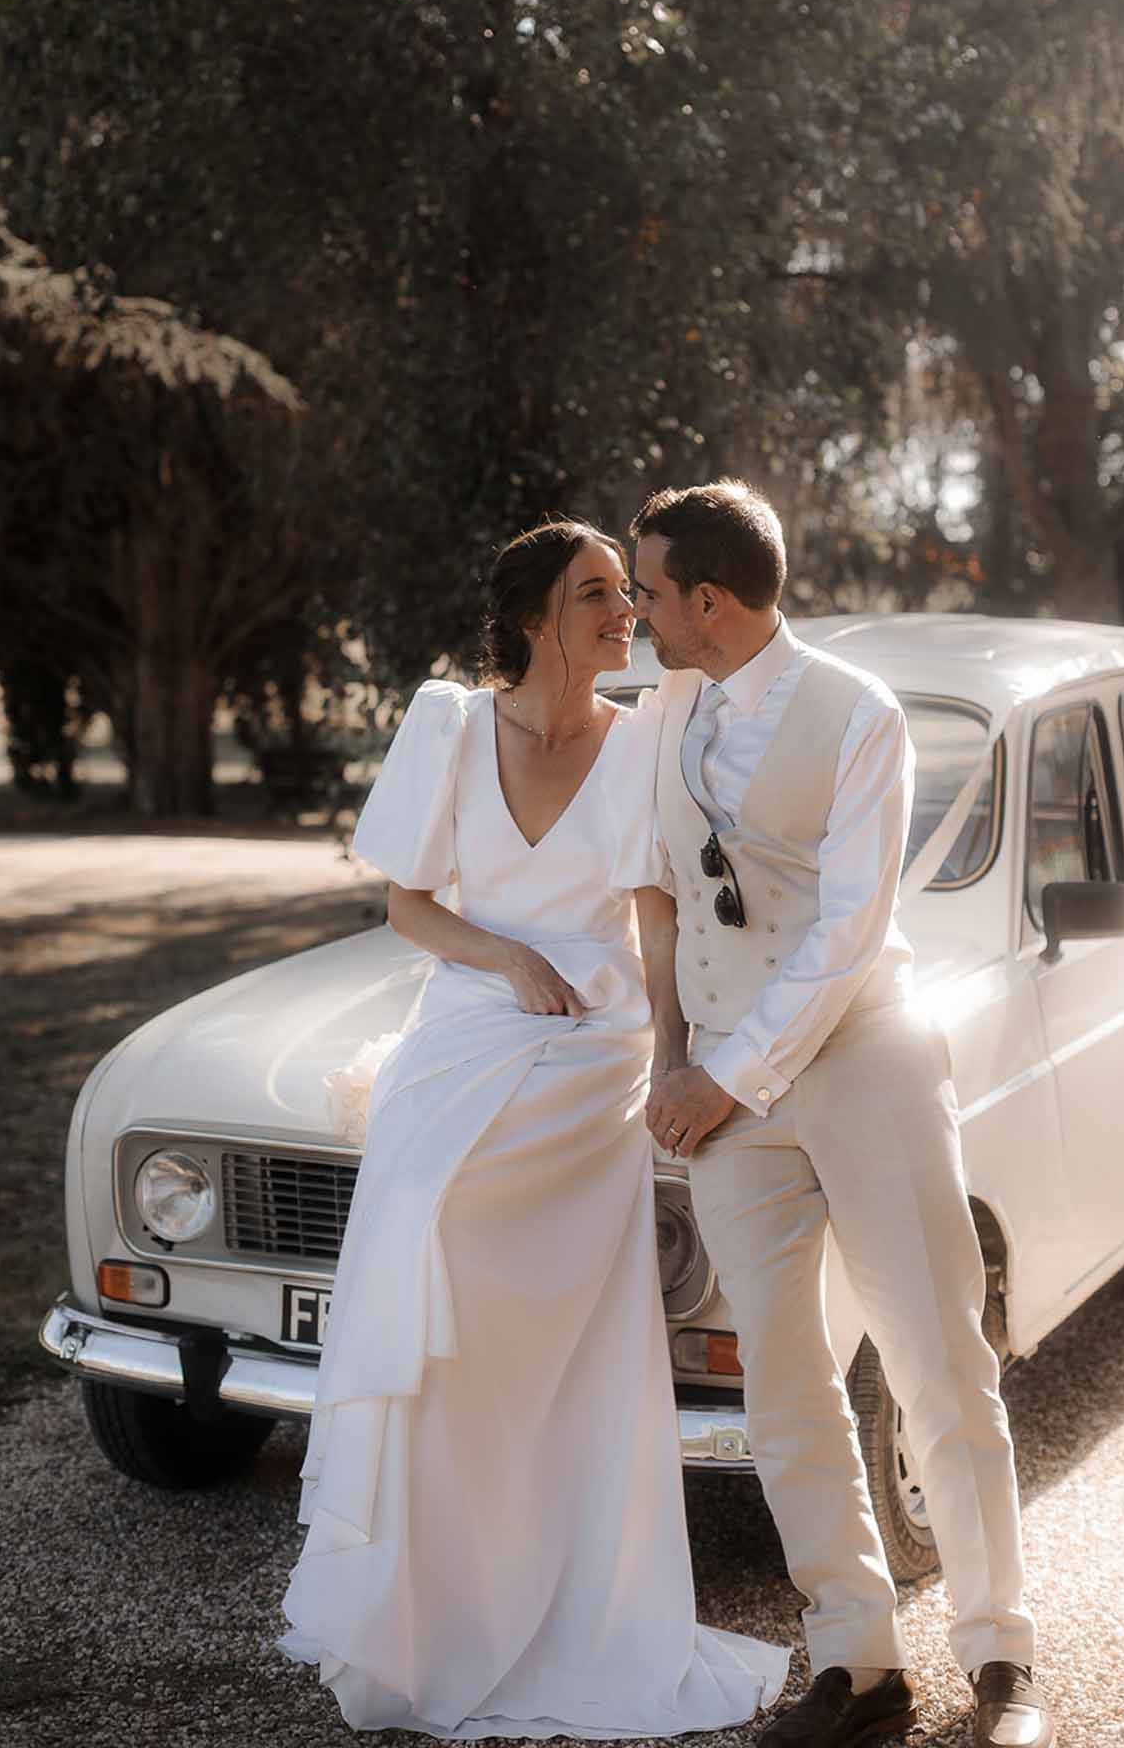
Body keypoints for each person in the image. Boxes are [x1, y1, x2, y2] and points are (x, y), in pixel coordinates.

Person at [279, 518, 788, 1739]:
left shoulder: (651, 727)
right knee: (424, 1232)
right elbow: (407, 904)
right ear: (528, 616)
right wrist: (503, 954)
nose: (626, 611)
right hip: (471, 1014)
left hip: (598, 1046)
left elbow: (656, 918)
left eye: (628, 590)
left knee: (563, 1350)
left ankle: (574, 1606)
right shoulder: (448, 722)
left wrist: (672, 1051)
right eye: (597, 593)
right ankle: (429, 1604)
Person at [632, 482, 1056, 1748]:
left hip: (862, 1060)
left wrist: (728, 1071)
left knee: (936, 1353)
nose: (641, 611)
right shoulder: (663, 709)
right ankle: (856, 1662)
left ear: (707, 599)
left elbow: (846, 931)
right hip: (718, 1094)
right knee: (783, 1378)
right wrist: (671, 1056)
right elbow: (655, 889)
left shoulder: (858, 716)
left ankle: (1000, 1657)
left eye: (649, 590)